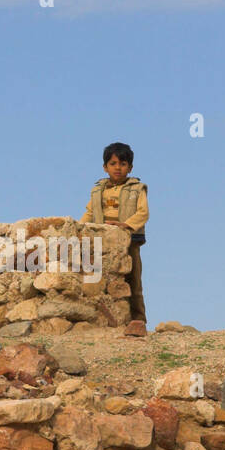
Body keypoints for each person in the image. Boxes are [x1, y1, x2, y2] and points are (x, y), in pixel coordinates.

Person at [80, 142, 148, 336]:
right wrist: (78, 228)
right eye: (113, 163)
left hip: (129, 240)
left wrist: (126, 225)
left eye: (123, 164)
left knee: (134, 281)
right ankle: (110, 323)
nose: (118, 168)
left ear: (130, 168)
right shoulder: (98, 190)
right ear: (105, 167)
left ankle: (139, 321)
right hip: (104, 242)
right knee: (104, 281)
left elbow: (143, 212)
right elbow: (90, 212)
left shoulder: (137, 188)